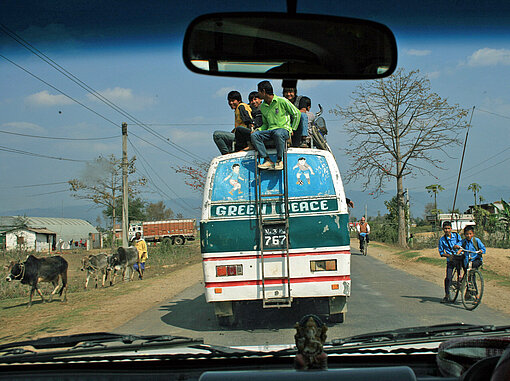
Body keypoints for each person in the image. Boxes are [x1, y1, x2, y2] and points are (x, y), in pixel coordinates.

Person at [251, 80, 301, 170]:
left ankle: (279, 160)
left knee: (278, 133)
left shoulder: (282, 101)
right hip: (270, 131)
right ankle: (267, 160)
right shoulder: (263, 106)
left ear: (263, 91)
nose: (258, 94)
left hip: (283, 130)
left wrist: (292, 129)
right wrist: (257, 130)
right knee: (254, 135)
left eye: (259, 91)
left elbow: (297, 114)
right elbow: (265, 124)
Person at [438, 221, 462, 303]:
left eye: (448, 228)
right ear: (443, 229)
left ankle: (469, 292)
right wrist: (449, 256)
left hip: (459, 258)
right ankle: (447, 295)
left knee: (463, 274)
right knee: (448, 277)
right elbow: (441, 253)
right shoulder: (442, 240)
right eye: (445, 229)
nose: (447, 230)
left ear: (451, 229)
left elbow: (461, 244)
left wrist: (458, 249)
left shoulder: (456, 235)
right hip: (450, 260)